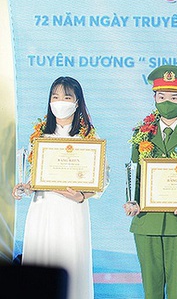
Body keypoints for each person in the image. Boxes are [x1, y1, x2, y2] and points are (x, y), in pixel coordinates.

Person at [12, 76, 106, 299]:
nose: (60, 102)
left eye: (66, 97)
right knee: (40, 262)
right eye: (55, 97)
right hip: (42, 209)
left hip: (72, 210)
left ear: (77, 102)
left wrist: (82, 196)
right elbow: (33, 178)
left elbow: (103, 180)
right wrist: (23, 188)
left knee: (70, 264)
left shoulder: (88, 137)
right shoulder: (40, 136)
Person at [123, 65, 177, 299]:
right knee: (150, 289)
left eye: (174, 97)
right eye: (161, 97)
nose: (167, 102)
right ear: (154, 98)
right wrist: (131, 201)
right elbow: (134, 172)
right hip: (146, 220)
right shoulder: (142, 132)